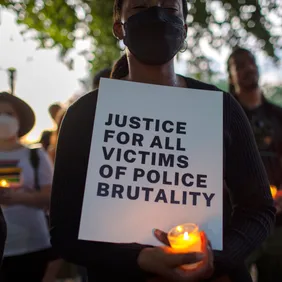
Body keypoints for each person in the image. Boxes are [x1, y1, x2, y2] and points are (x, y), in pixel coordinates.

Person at [50, 1, 275, 282]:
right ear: (119, 27)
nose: (156, 16)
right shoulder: (85, 116)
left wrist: (215, 259)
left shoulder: (220, 107)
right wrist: (140, 259)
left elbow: (259, 209)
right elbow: (64, 231)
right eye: (141, 7)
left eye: (169, 9)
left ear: (185, 29)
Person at [228, 47, 282, 282]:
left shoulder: (278, 116)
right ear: (230, 76)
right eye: (239, 65)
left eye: (251, 62)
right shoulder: (224, 117)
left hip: (279, 223)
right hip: (238, 223)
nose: (248, 68)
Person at [0, 92, 53, 282]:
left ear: (19, 120)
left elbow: (51, 196)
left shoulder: (35, 156)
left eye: (9, 113)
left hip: (33, 246)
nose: (3, 119)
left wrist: (18, 198)